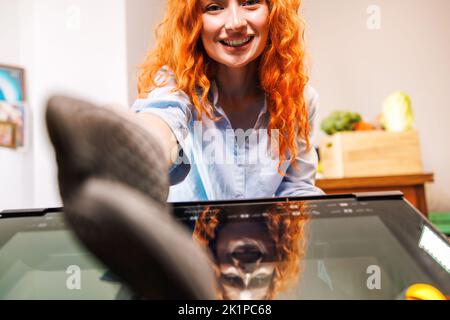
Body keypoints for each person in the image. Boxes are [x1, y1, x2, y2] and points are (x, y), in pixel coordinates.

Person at [131, 0, 324, 202]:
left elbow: (297, 189)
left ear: (273, 13)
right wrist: (140, 148)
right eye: (214, 7)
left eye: (250, 2)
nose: (235, 23)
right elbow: (160, 117)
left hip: (266, 234)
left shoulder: (298, 98)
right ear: (192, 21)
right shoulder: (175, 84)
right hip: (186, 234)